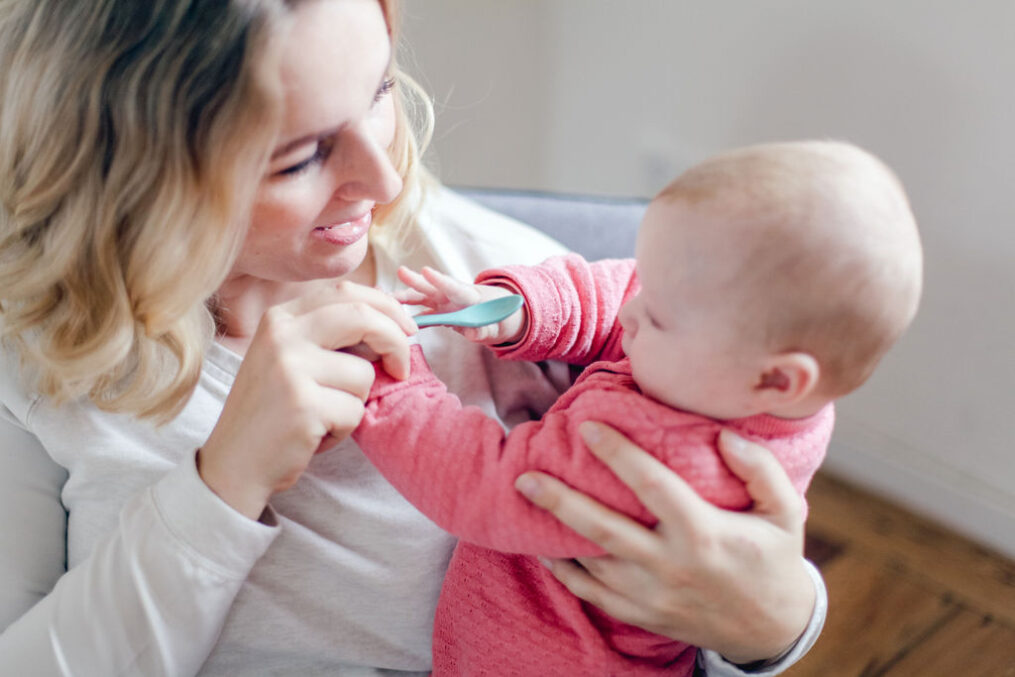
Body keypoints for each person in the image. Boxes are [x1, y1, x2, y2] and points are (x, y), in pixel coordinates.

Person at [0, 1, 825, 674]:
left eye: (380, 91)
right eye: (300, 158)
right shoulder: (36, 370)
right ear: (133, 176)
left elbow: (702, 518)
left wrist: (776, 617)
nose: (386, 179)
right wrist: (224, 482)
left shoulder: (472, 268)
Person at [351, 140, 923, 675]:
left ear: (777, 377)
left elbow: (482, 482)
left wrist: (390, 384)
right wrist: (522, 309)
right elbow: (621, 292)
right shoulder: (735, 377)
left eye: (659, 317)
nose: (632, 313)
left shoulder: (663, 456)